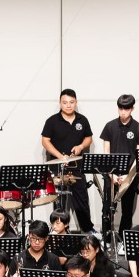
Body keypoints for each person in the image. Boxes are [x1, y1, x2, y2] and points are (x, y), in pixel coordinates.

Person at [40, 88, 95, 234]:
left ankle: (87, 231)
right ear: (60, 103)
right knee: (59, 202)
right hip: (58, 169)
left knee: (82, 201)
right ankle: (59, 232)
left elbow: (88, 137)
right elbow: (45, 141)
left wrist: (81, 146)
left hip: (77, 168)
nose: (68, 105)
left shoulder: (82, 120)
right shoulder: (52, 121)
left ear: (76, 102)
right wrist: (60, 156)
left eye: (71, 102)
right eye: (65, 102)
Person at [100, 94, 139, 238]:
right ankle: (107, 239)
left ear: (132, 109)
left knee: (127, 210)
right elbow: (106, 153)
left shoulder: (138, 128)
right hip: (111, 174)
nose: (123, 112)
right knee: (107, 209)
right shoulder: (109, 126)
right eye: (120, 109)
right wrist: (111, 174)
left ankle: (123, 239)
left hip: (129, 176)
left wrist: (128, 177)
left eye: (126, 109)